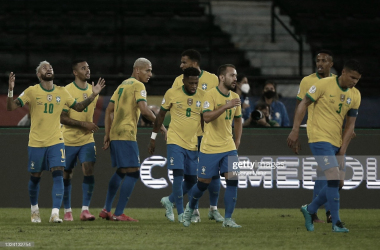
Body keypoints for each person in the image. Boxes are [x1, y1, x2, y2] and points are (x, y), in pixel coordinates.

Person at [7, 61, 105, 223]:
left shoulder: (62, 92)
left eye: (50, 67)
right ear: (39, 75)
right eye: (44, 68)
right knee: (35, 177)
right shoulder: (32, 91)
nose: (48, 68)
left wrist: (93, 95)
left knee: (59, 174)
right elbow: (11, 107)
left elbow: (79, 107)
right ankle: (35, 211)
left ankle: (55, 214)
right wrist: (11, 90)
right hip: (37, 142)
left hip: (57, 141)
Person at [288, 59, 362, 233]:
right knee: (334, 178)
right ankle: (336, 223)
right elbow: (303, 104)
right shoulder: (323, 85)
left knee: (338, 183)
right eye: (352, 77)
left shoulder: (355, 95)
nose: (354, 82)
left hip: (336, 141)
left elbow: (350, 125)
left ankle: (310, 209)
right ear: (343, 72)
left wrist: (343, 150)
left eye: (357, 79)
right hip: (318, 137)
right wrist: (295, 130)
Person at [99, 58, 166, 221]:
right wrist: (161, 125)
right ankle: (118, 213)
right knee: (134, 173)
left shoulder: (122, 85)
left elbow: (108, 110)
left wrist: (107, 134)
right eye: (147, 70)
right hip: (126, 134)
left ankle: (106, 209)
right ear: (137, 70)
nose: (150, 74)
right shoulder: (138, 85)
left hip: (116, 133)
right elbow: (144, 109)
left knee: (122, 171)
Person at [183, 64, 243, 228]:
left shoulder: (235, 96)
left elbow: (238, 119)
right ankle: (190, 208)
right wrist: (226, 106)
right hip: (209, 147)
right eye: (232, 75)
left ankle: (228, 219)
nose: (235, 78)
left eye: (236, 76)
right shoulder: (209, 95)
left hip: (228, 146)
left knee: (233, 181)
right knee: (203, 183)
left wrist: (237, 140)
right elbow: (207, 117)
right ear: (222, 77)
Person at [148, 67, 208, 223]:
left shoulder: (203, 96)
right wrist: (153, 137)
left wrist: (203, 139)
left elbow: (203, 120)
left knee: (191, 181)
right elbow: (160, 115)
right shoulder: (172, 93)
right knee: (178, 175)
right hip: (175, 140)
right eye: (191, 82)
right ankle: (181, 214)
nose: (194, 85)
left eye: (196, 82)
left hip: (193, 143)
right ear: (184, 81)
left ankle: (169, 200)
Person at [172, 49, 221, 223]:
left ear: (194, 63)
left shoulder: (213, 79)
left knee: (213, 173)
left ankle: (214, 209)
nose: (181, 65)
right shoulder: (179, 80)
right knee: (194, 175)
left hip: (209, 134)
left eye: (184, 62)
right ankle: (194, 210)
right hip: (190, 137)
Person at [295, 50, 335, 223]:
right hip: (317, 132)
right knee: (328, 172)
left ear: (331, 64)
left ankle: (317, 211)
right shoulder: (307, 81)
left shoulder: (337, 81)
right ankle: (324, 212)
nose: (320, 63)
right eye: (317, 60)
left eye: (324, 60)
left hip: (334, 133)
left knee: (327, 173)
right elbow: (300, 105)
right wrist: (295, 130)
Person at [60, 59, 101, 221]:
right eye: (83, 68)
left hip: (86, 140)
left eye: (88, 67)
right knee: (66, 173)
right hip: (68, 139)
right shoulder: (67, 91)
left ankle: (85, 210)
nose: (87, 70)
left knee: (88, 168)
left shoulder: (94, 90)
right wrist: (83, 124)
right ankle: (67, 211)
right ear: (75, 73)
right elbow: (62, 118)